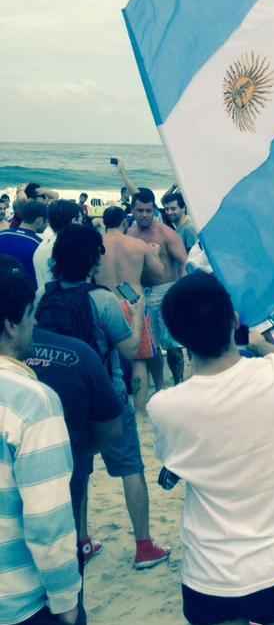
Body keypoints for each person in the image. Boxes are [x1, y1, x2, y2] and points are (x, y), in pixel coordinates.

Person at [148, 273, 274, 625]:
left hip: (214, 570)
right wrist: (259, 341)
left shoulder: (166, 407)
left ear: (175, 336)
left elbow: (172, 463)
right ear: (233, 320)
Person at [38, 224, 171, 570]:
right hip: (105, 397)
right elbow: (128, 349)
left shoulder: (43, 297)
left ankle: (81, 541)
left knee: (79, 469)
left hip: (62, 399)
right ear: (93, 260)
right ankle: (143, 546)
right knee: (130, 467)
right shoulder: (103, 300)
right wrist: (139, 312)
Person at [0, 263, 85, 625]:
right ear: (11, 325)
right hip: (16, 606)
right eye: (29, 315)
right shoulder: (31, 401)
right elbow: (47, 520)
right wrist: (66, 600)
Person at [96, 206, 166, 410]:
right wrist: (156, 253)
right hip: (134, 303)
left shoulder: (95, 245)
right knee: (139, 359)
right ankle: (140, 410)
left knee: (105, 358)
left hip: (104, 302)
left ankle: (111, 407)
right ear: (124, 222)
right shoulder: (138, 245)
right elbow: (159, 273)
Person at [127, 188, 188, 389]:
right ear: (133, 210)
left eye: (148, 210)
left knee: (172, 344)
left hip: (165, 291)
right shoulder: (130, 232)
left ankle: (179, 383)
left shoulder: (166, 233)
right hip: (141, 293)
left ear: (154, 209)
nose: (144, 215)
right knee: (150, 345)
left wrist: (182, 293)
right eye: (140, 210)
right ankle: (160, 385)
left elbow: (185, 263)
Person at [32, 199, 81, 305]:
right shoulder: (68, 249)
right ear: (73, 221)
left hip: (44, 304)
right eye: (80, 219)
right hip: (64, 308)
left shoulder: (43, 245)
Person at [0, 199, 47, 292]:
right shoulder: (40, 246)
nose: (47, 225)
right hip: (21, 300)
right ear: (39, 220)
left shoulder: (2, 234)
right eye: (46, 221)